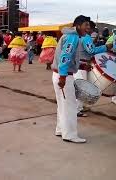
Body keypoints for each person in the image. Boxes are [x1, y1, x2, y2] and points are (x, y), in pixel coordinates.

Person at [52, 15, 100, 143]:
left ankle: (61, 129)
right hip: (64, 75)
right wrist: (63, 77)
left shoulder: (70, 36)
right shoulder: (72, 37)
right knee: (70, 105)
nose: (88, 29)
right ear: (78, 25)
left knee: (62, 105)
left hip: (59, 74)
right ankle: (70, 134)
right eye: (86, 25)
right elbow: (65, 57)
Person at [73, 20, 112, 117]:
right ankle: (77, 110)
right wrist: (105, 47)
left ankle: (79, 107)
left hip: (77, 64)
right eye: (90, 28)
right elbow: (91, 50)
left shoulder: (78, 36)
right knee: (82, 88)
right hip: (81, 65)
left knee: (79, 87)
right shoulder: (86, 37)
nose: (91, 30)